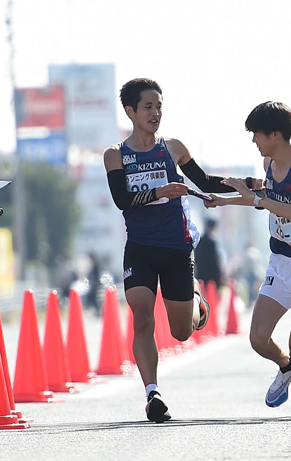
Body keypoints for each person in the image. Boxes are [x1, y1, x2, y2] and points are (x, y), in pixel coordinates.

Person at [103, 78, 235, 423]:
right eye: (148, 106)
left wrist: (246, 185)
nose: (155, 112)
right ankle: (152, 393)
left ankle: (195, 298)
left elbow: (204, 182)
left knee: (181, 332)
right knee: (142, 317)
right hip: (140, 249)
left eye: (159, 106)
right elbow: (122, 200)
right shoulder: (115, 155)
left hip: (177, 248)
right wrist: (161, 192)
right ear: (130, 111)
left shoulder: (173, 147)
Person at [206, 101, 291, 419]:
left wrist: (257, 198)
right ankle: (286, 368)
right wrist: (222, 200)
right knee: (258, 338)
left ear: (275, 135)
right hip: (282, 262)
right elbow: (263, 197)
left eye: (257, 134)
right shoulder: (269, 164)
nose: (254, 141)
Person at [194, 218, 224, 288]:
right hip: (211, 276)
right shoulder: (211, 241)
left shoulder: (199, 240)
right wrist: (219, 275)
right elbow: (215, 260)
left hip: (200, 274)